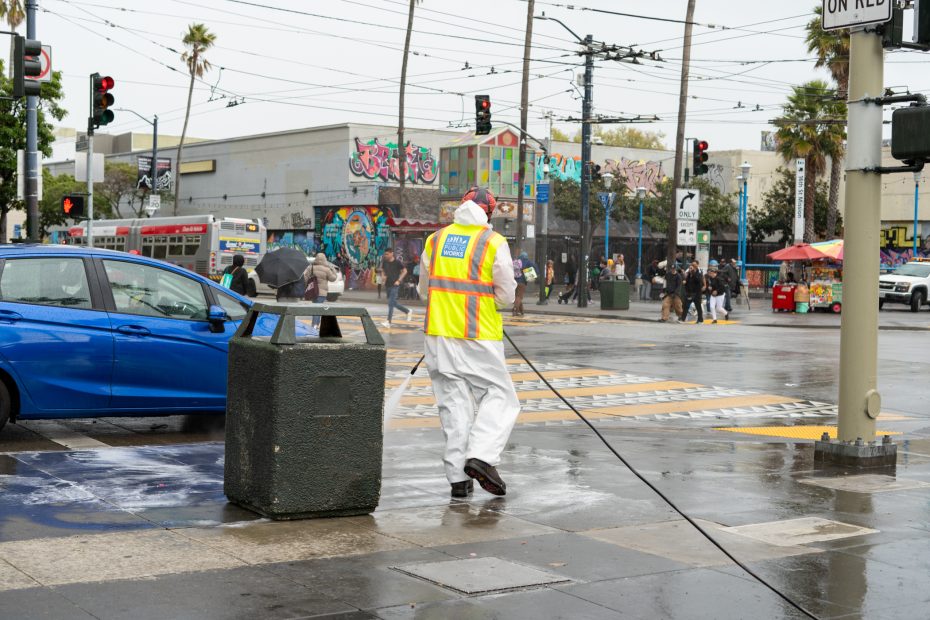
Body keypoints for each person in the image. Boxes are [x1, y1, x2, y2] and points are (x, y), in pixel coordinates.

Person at [417, 186, 519, 498]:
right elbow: (506, 295)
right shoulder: (492, 242)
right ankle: (483, 457)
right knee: (501, 396)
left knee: (454, 405)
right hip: (477, 336)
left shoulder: (434, 240)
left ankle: (458, 479)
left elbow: (425, 291)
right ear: (488, 212)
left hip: (438, 336)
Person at [379, 248, 413, 328]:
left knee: (390, 304)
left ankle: (388, 322)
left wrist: (399, 280)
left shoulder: (397, 262)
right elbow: (383, 270)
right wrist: (383, 276)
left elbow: (405, 271)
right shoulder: (385, 262)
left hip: (395, 285)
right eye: (385, 254)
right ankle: (407, 311)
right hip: (387, 285)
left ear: (392, 253)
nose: (386, 256)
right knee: (393, 303)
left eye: (387, 254)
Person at [303, 252, 338, 327]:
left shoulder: (311, 267)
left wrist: (306, 287)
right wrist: (333, 270)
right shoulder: (327, 269)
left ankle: (315, 324)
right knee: (318, 309)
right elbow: (333, 279)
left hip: (313, 291)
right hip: (322, 293)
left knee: (315, 308)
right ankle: (315, 325)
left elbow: (305, 278)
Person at [512, 251, 537, 317]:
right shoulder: (528, 262)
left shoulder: (516, 262)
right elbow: (535, 269)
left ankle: (521, 310)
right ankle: (515, 309)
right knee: (519, 297)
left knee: (517, 296)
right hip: (522, 282)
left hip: (514, 281)